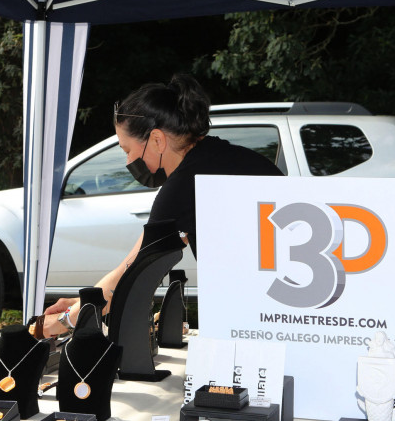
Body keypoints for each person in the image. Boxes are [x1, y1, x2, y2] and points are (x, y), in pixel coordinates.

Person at [41, 74, 283, 337]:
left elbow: (131, 271)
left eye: (127, 150)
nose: (128, 161)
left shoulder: (184, 185)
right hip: (290, 305)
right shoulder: (223, 158)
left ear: (156, 140)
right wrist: (80, 304)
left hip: (263, 316)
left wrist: (65, 322)